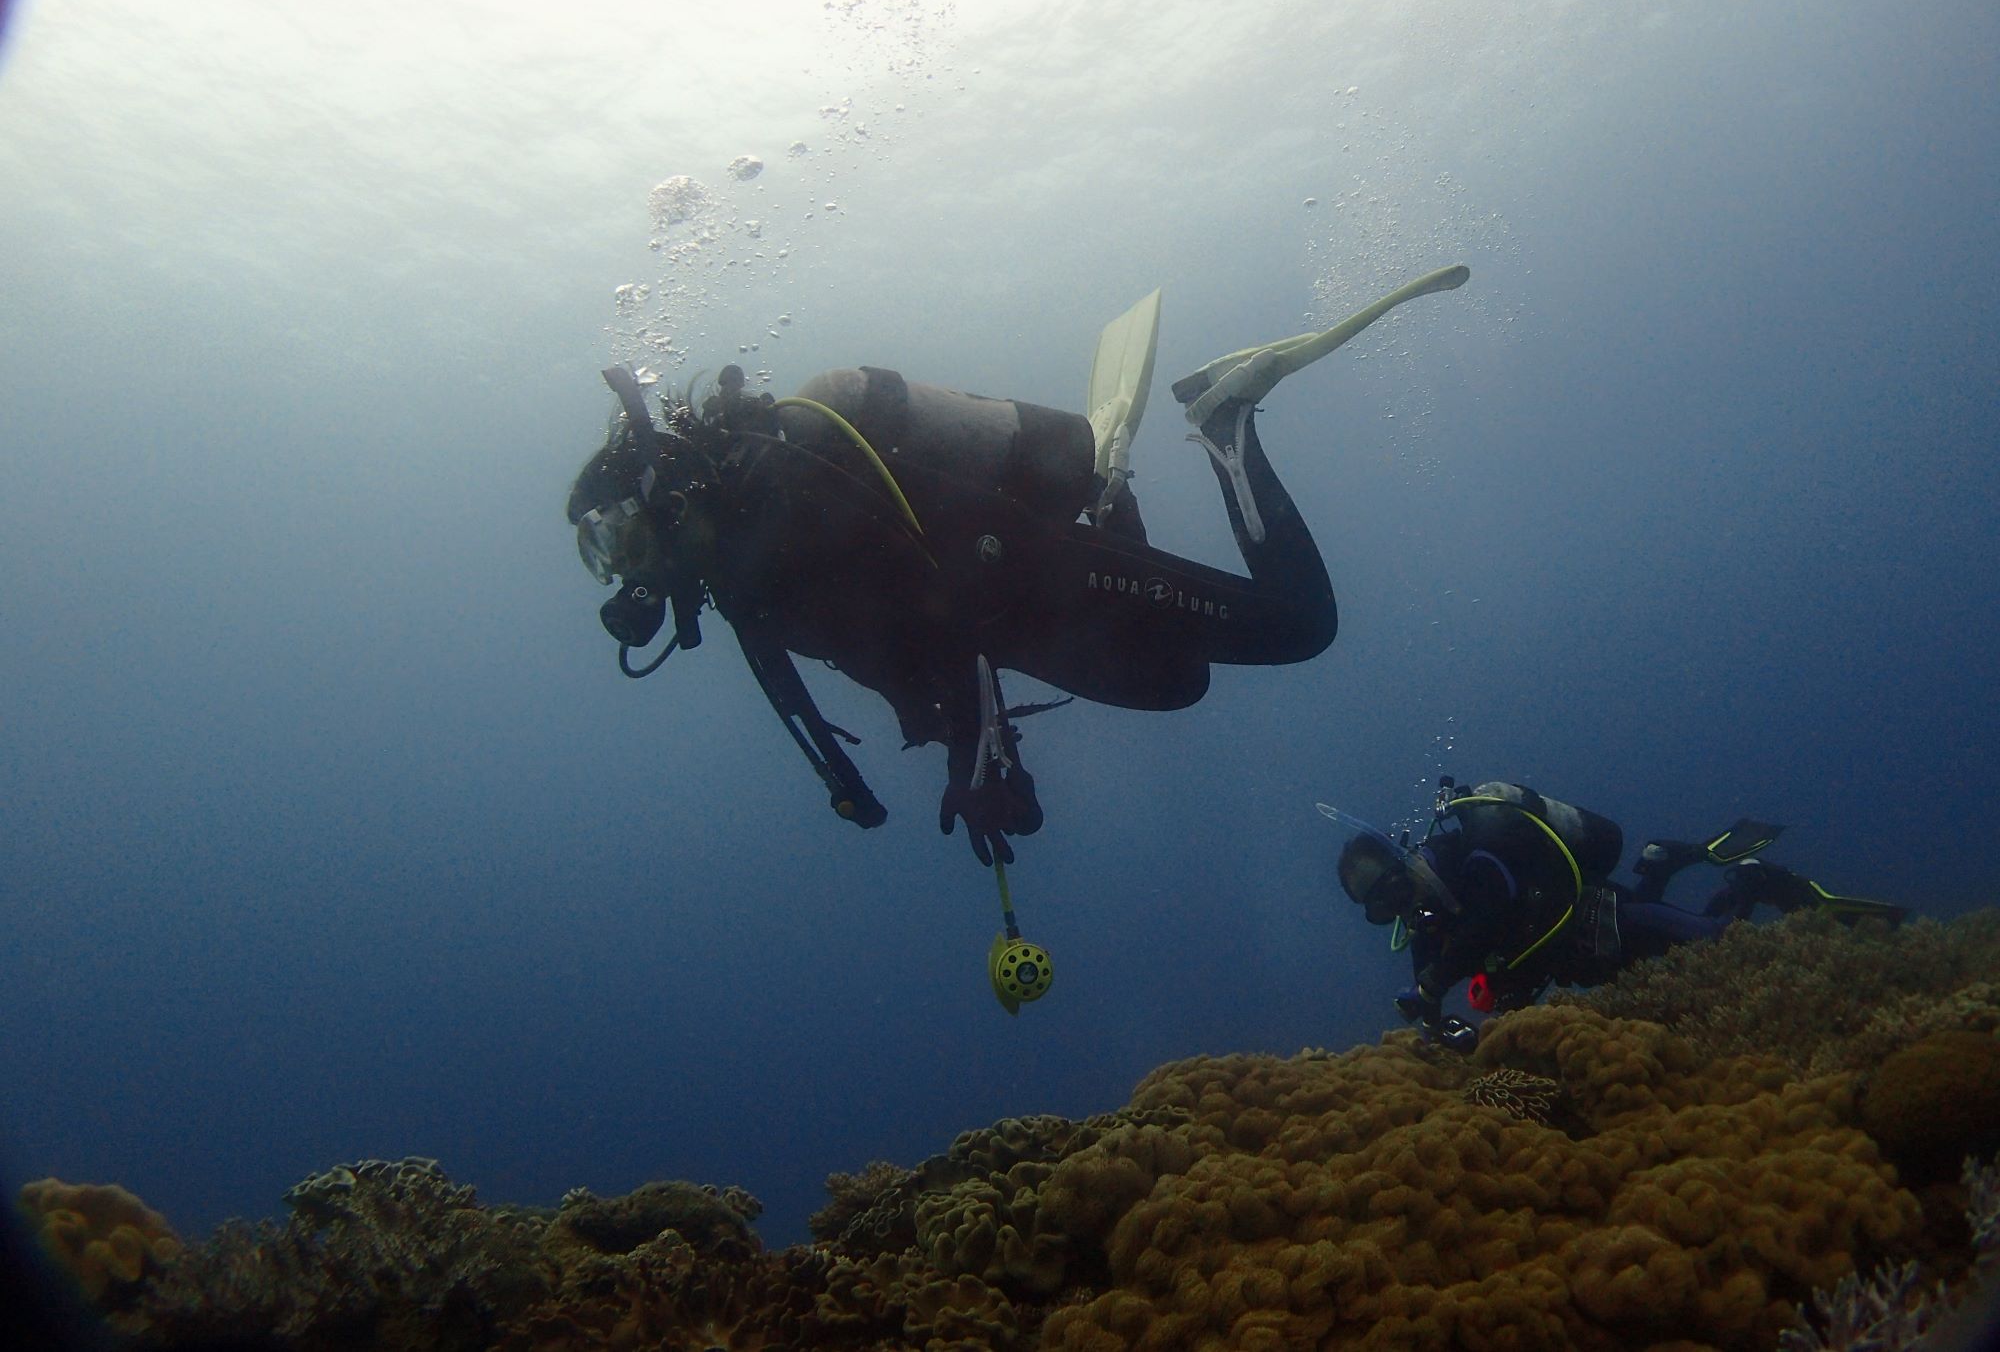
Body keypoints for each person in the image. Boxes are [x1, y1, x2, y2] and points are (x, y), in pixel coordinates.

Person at [567, 269, 1469, 868]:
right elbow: (888, 654)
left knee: (1300, 628)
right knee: (1177, 683)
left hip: (1024, 568)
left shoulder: (780, 491)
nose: (621, 569)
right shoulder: (742, 574)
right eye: (600, 555)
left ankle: (1227, 428)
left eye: (617, 536)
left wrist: (979, 752)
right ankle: (1117, 507)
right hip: (1022, 619)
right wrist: (980, 757)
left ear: (662, 492)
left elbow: (930, 610)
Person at [1332, 777, 1907, 1053]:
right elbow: (1433, 995)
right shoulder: (1426, 922)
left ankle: (1751, 880)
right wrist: (1442, 1025)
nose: (1393, 907)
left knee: (1716, 942)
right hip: (1568, 963)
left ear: (1401, 857)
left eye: (1387, 887)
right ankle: (1659, 864)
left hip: (1597, 920)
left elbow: (1493, 906)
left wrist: (1433, 984)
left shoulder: (1464, 856)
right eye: (1375, 906)